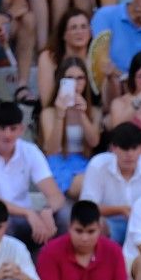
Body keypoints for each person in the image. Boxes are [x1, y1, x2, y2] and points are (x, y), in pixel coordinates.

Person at [0, 100, 68, 248]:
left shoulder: (30, 151)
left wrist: (47, 211)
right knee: (0, 222)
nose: (7, 134)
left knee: (64, 215)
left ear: (21, 130)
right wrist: (28, 213)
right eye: (2, 128)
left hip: (25, 216)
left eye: (13, 128)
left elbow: (55, 195)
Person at [79, 122, 141, 245]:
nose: (129, 154)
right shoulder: (98, 165)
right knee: (96, 225)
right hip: (111, 224)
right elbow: (86, 208)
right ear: (113, 148)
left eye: (134, 148)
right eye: (124, 148)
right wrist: (120, 210)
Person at [40, 54, 103, 196]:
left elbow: (94, 142)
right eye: (70, 78)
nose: (75, 83)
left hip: (84, 162)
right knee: (87, 183)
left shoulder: (94, 111)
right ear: (61, 81)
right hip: (59, 163)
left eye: (80, 78)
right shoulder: (49, 113)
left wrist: (82, 114)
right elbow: (52, 149)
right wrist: (60, 115)